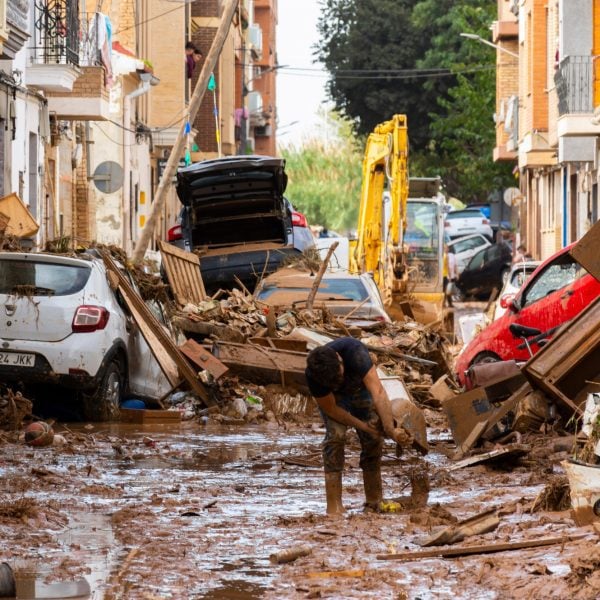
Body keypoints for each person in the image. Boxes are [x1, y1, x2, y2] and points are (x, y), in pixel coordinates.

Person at [305, 337, 409, 515]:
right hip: (335, 401)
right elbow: (332, 409)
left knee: (373, 439)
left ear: (339, 359)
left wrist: (390, 429)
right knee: (335, 437)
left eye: (340, 374)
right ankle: (334, 506)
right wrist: (363, 426)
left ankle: (374, 500)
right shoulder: (314, 375)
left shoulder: (355, 352)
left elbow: (378, 392)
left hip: (361, 391)